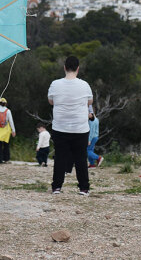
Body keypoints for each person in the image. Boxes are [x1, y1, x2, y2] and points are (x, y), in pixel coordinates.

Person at [48, 55, 93, 195]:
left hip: (60, 127)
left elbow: (51, 101)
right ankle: (84, 187)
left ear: (64, 68)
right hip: (80, 127)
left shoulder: (55, 84)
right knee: (81, 158)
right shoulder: (85, 85)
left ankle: (57, 187)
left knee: (60, 157)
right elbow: (90, 102)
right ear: (78, 69)